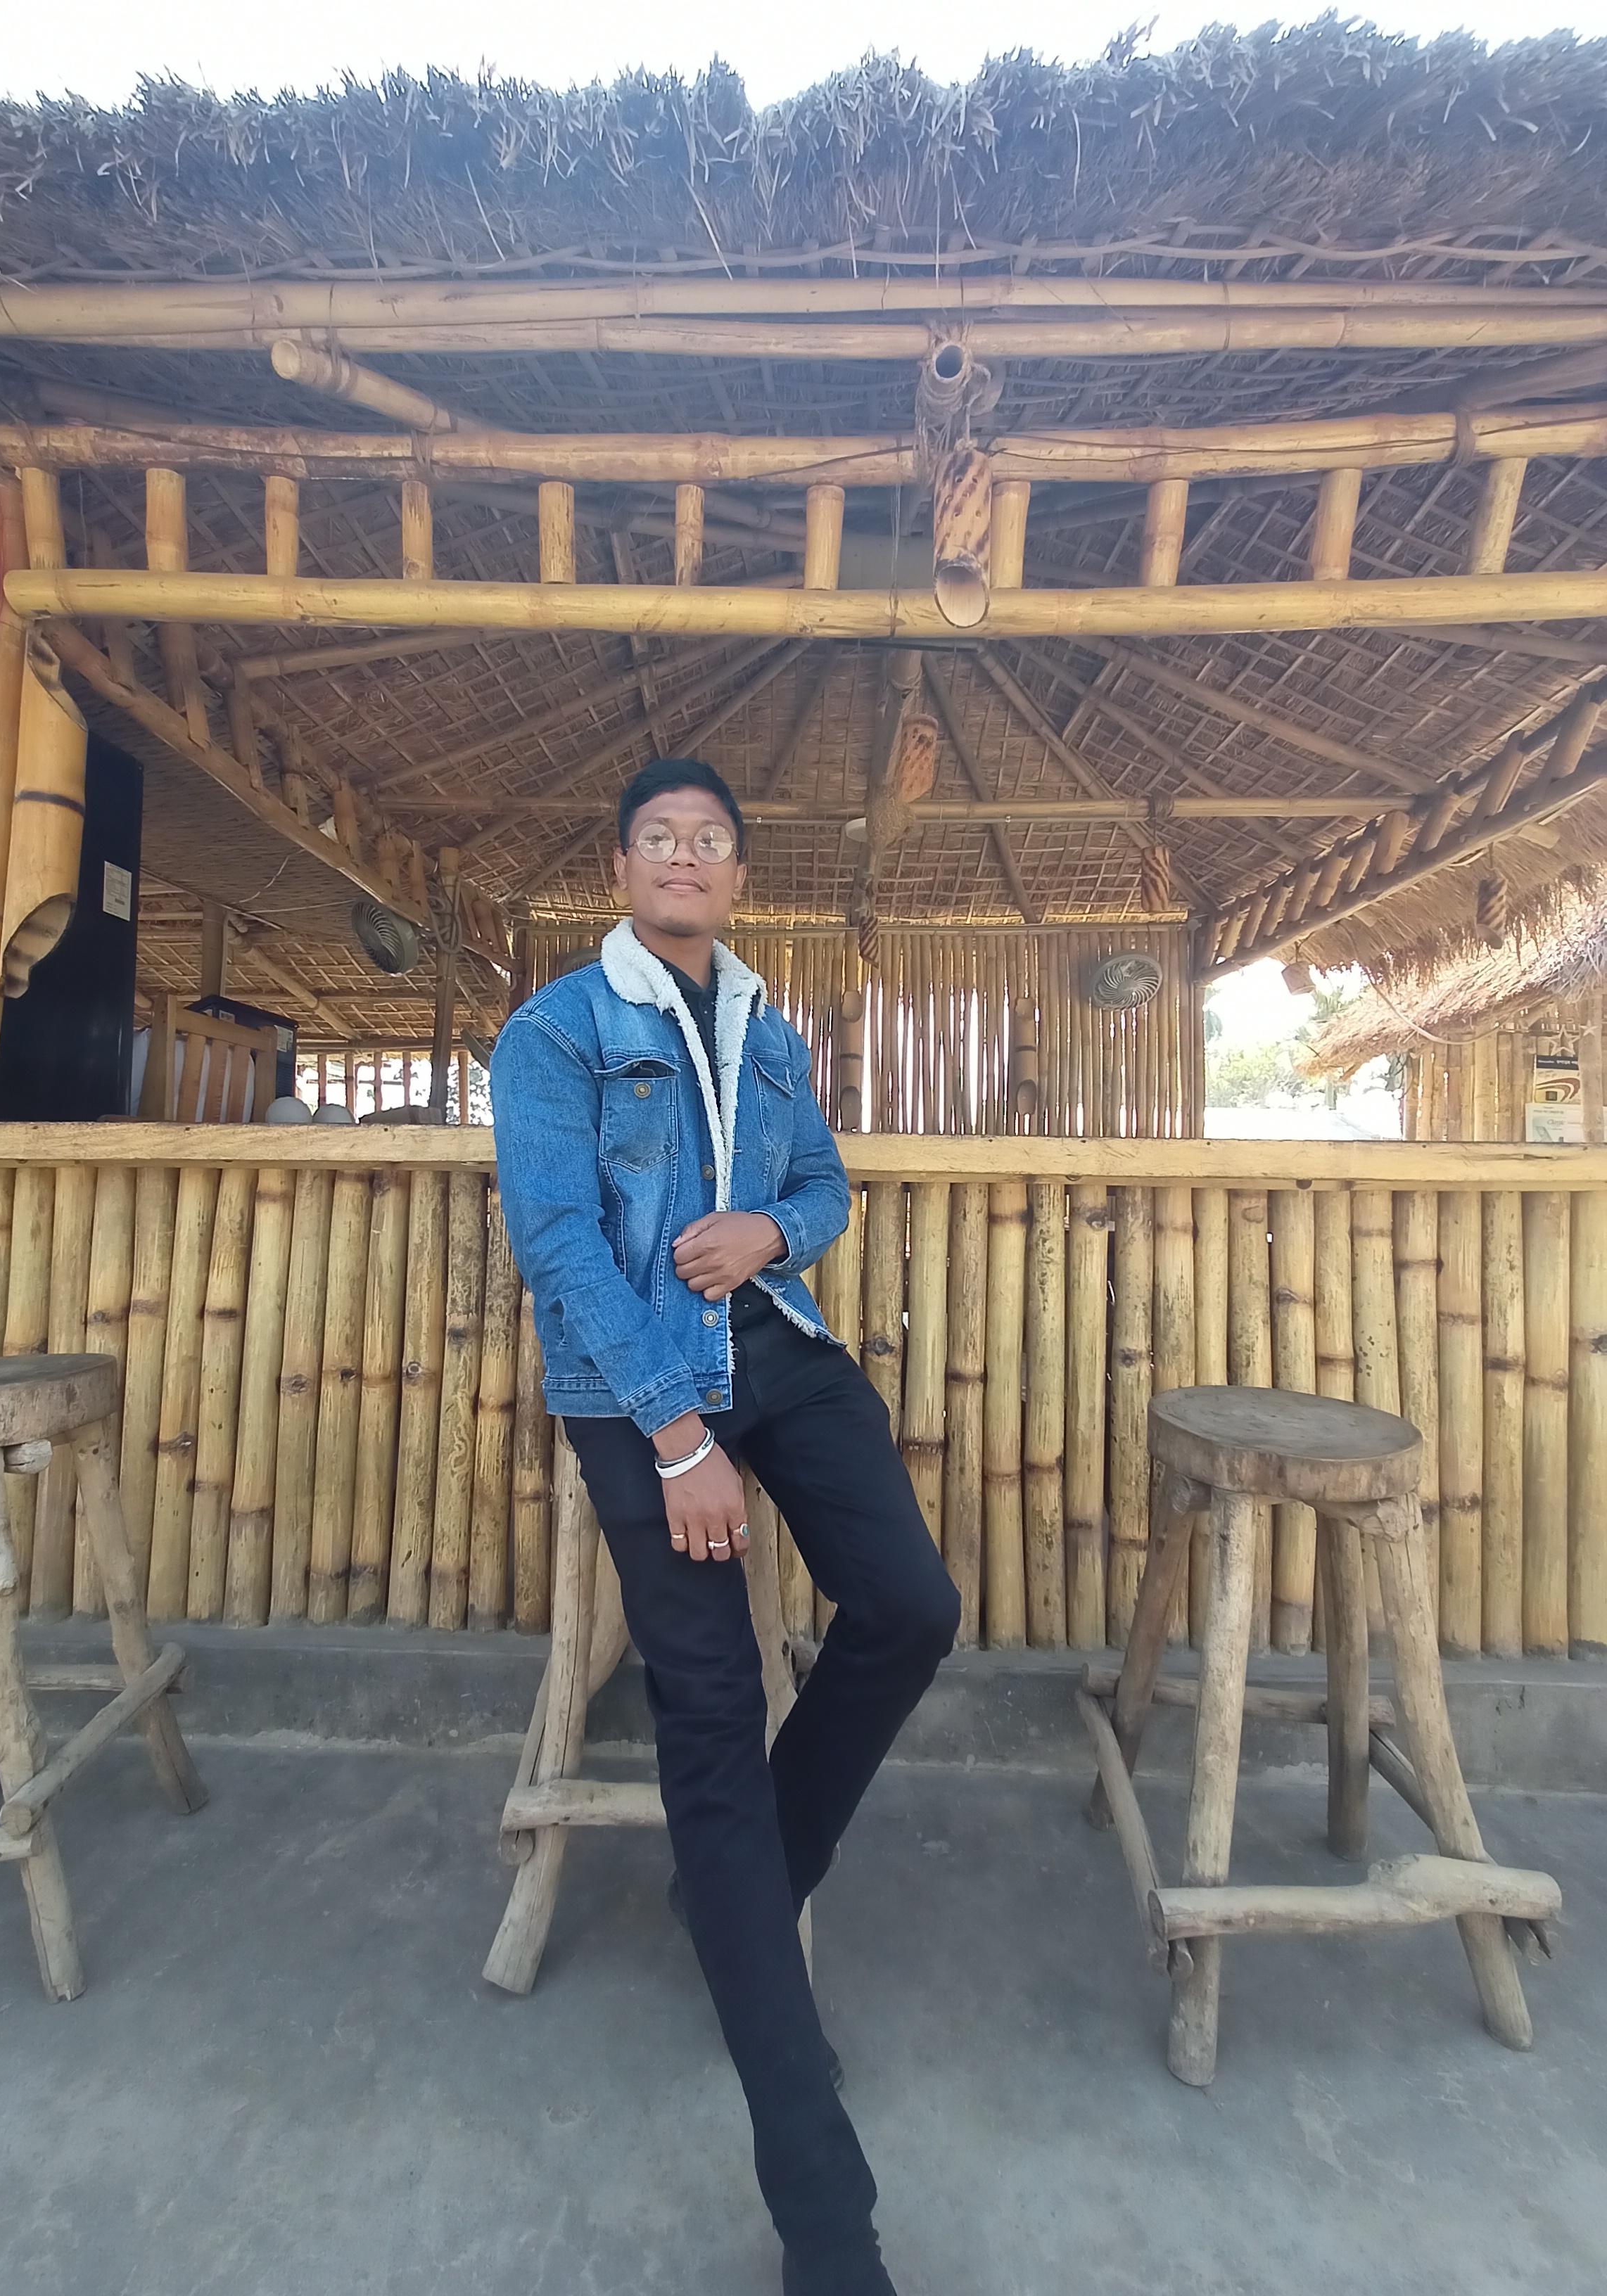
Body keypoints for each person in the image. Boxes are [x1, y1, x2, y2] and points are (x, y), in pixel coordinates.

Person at [490, 758, 960, 2295]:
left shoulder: (770, 1030)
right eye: (658, 837)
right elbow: (559, 1244)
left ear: (737, 875)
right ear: (622, 868)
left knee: (913, 1610)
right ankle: (827, 2217)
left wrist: (774, 1227)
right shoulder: (557, 1030)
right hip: (634, 1378)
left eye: (709, 840)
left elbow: (824, 1186)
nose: (683, 856)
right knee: (707, 1709)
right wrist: (678, 1435)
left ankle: (738, 1888)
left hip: (778, 1344)